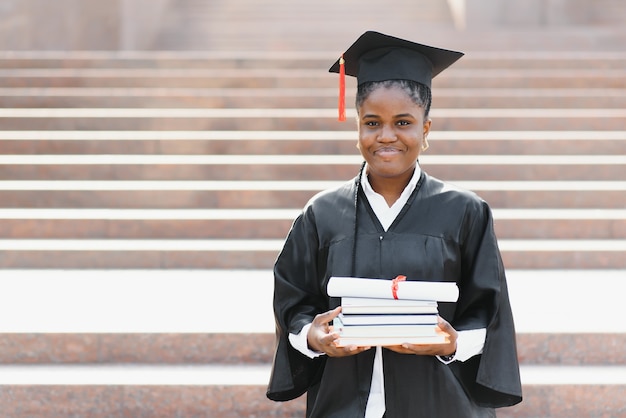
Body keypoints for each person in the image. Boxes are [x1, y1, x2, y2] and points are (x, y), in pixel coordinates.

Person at [267, 31, 522, 417]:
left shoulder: (465, 211)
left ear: (426, 129)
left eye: (403, 122)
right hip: (343, 404)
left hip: (442, 403)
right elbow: (294, 299)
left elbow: (489, 310)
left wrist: (453, 343)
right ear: (357, 128)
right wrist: (313, 336)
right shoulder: (322, 213)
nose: (386, 136)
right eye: (372, 122)